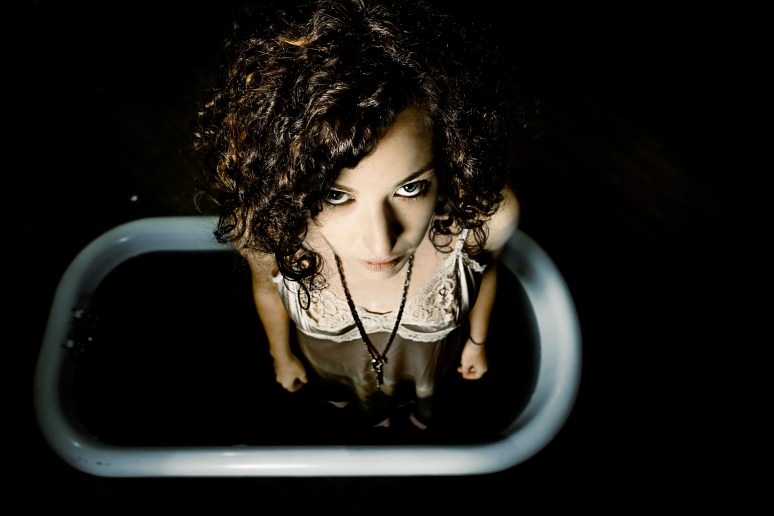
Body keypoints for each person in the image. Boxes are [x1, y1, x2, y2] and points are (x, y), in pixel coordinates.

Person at [193, 0, 532, 433]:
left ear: (449, 162)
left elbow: (487, 270)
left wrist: (476, 342)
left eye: (410, 188)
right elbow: (265, 290)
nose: (381, 243)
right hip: (330, 368)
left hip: (428, 368)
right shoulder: (266, 229)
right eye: (336, 195)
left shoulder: (486, 216)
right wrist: (282, 355)